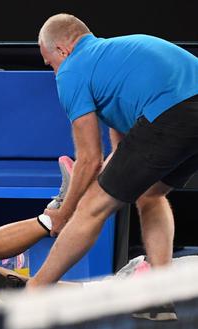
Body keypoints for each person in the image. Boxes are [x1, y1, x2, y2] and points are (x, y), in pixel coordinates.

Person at [27, 13, 198, 289]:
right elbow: (125, 146)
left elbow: (90, 159)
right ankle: (161, 294)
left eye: (51, 64)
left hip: (170, 112)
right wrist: (110, 171)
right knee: (150, 193)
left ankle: (34, 291)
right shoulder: (113, 58)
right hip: (183, 110)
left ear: (63, 50)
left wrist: (64, 212)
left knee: (90, 207)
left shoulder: (71, 71)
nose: (54, 72)